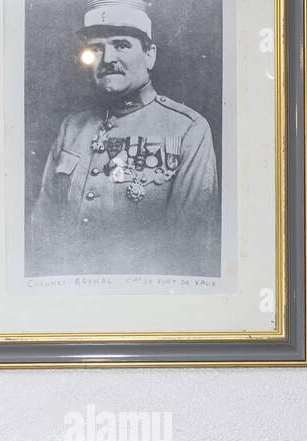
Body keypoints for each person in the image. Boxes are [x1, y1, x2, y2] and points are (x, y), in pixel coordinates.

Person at [27, 0, 221, 279]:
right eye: (96, 49)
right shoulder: (72, 127)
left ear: (149, 55)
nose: (106, 59)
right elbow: (41, 233)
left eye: (121, 45)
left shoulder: (187, 129)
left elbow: (192, 249)